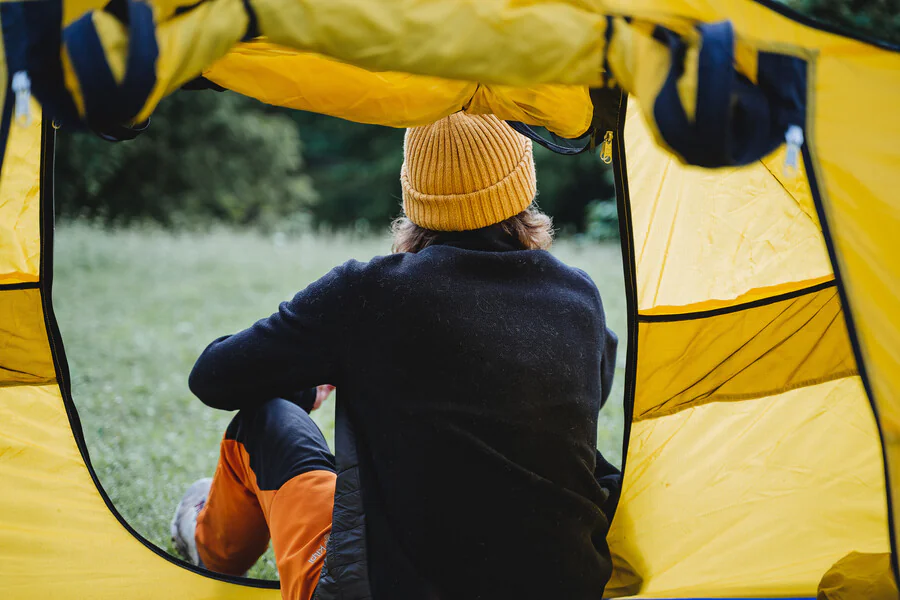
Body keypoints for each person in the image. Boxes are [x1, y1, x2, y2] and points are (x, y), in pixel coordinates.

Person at [171, 113, 620, 600]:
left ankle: (206, 545)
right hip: (564, 589)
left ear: (413, 195)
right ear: (522, 188)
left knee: (265, 419)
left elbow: (214, 377)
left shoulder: (368, 294)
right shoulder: (580, 297)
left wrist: (309, 381)